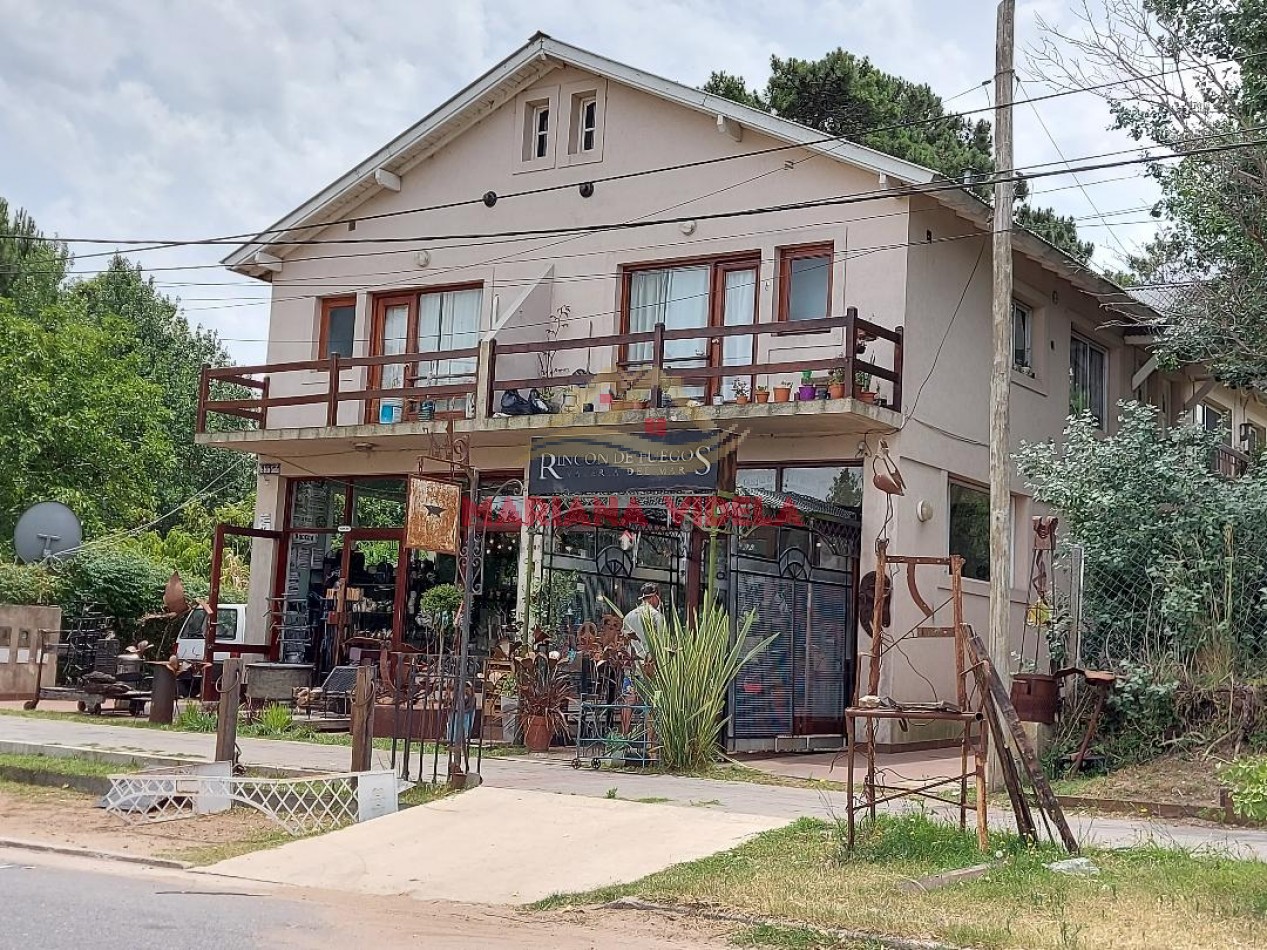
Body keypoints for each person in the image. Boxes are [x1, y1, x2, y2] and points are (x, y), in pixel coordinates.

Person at [620, 584, 663, 735]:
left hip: (632, 668)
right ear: (654, 596)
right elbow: (660, 644)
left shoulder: (628, 616)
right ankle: (650, 743)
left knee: (628, 702)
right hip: (650, 669)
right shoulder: (656, 617)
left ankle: (623, 739)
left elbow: (624, 643)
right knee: (651, 705)